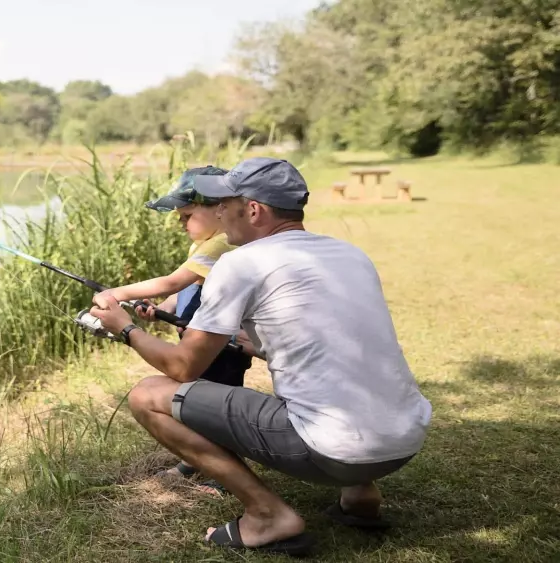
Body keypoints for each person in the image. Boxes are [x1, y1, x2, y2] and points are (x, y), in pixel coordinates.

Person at [89, 157, 432, 557]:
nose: (218, 212)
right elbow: (318, 342)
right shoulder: (349, 253)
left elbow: (183, 367)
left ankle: (268, 515)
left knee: (148, 395)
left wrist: (124, 329)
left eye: (224, 203)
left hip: (335, 450)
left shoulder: (241, 263)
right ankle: (361, 495)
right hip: (404, 439)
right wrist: (241, 342)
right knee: (339, 375)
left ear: (253, 210)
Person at [94, 165, 252, 487]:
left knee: (219, 406)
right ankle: (194, 459)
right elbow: (188, 286)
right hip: (199, 340)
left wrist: (118, 293)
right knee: (194, 400)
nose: (182, 225)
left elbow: (173, 279)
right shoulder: (205, 243)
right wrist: (163, 307)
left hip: (221, 346)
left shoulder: (222, 243)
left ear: (219, 210)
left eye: (186, 216)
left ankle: (229, 469)